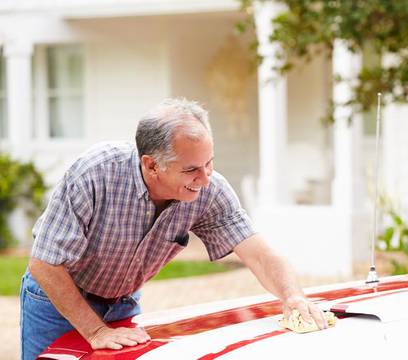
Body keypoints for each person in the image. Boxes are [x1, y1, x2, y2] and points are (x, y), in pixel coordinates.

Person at [20, 98, 327, 360]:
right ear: (151, 165)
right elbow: (45, 263)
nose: (205, 178)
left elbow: (258, 253)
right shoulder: (94, 173)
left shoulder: (209, 189)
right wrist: (96, 330)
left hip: (122, 303)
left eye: (209, 163)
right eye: (191, 169)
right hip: (55, 303)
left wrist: (292, 297)